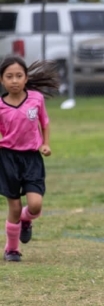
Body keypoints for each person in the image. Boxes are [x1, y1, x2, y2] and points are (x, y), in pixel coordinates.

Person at [0, 56, 59, 262]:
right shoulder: (0, 105)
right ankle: (12, 249)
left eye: (19, 76)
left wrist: (45, 143)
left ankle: (26, 220)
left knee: (35, 205)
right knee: (14, 207)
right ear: (2, 80)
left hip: (32, 158)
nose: (14, 80)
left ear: (25, 78)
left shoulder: (36, 99)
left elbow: (45, 122)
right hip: (8, 158)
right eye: (9, 76)